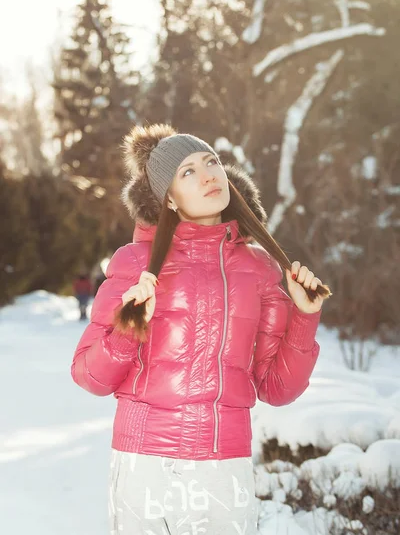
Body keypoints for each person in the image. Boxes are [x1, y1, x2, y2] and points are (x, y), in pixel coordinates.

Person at [71, 124, 331, 535]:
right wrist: (128, 326)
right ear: (168, 199)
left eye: (212, 162)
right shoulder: (135, 263)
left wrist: (304, 318)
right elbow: (89, 375)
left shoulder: (259, 268)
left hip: (224, 469)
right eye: (188, 171)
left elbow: (277, 387)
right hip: (146, 467)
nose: (209, 174)